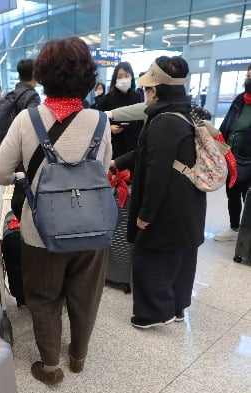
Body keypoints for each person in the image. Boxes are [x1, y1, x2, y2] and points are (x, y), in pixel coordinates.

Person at [0, 37, 112, 385]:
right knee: (85, 296)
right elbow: (101, 170)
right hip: (91, 227)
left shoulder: (28, 120)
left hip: (39, 230)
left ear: (42, 74)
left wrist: (24, 174)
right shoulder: (100, 121)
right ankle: (78, 357)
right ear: (88, 75)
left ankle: (49, 367)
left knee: (44, 298)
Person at [112, 57, 205, 329]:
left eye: (148, 89)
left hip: (167, 204)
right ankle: (177, 308)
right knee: (181, 256)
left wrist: (145, 215)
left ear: (157, 90)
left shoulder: (163, 121)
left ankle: (153, 313)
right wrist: (119, 162)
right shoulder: (184, 111)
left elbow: (156, 173)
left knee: (148, 255)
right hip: (187, 201)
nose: (145, 93)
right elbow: (145, 153)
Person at [214, 64, 251, 241]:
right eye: (248, 75)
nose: (249, 79)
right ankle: (234, 227)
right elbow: (228, 123)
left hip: (249, 160)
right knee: (233, 193)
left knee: (248, 197)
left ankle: (247, 233)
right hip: (232, 157)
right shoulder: (240, 100)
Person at [97, 61, 143, 159]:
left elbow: (140, 123)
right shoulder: (107, 99)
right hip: (113, 146)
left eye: (127, 76)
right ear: (115, 79)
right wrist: (109, 127)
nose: (124, 80)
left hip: (132, 146)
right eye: (120, 77)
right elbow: (97, 119)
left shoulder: (137, 97)